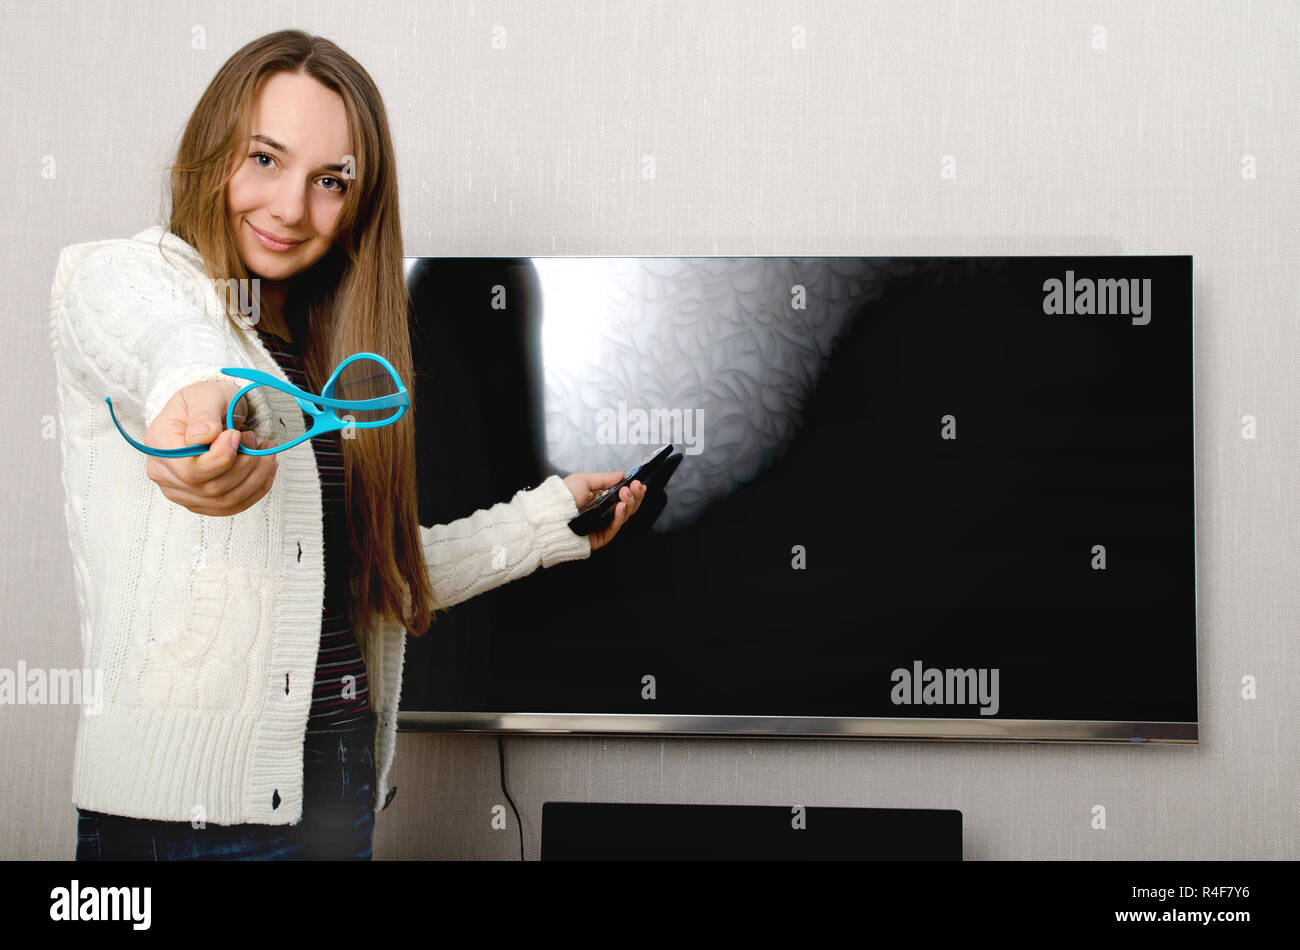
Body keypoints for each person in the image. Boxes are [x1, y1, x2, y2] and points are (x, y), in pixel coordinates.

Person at [48, 29, 645, 860]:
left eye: (330, 181)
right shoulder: (119, 277)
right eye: (263, 158)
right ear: (210, 151)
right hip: (180, 822)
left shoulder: (327, 355)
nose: (292, 207)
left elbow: (375, 577)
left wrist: (549, 523)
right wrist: (202, 391)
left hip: (339, 784)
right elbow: (160, 331)